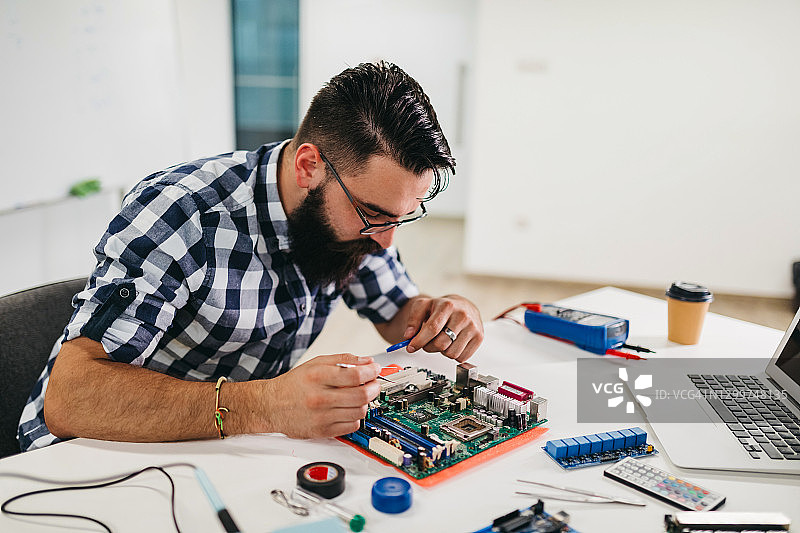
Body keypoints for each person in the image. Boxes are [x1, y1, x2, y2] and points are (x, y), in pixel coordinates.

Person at [17, 61, 484, 452]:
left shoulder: (358, 213)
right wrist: (268, 404)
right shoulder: (185, 214)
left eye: (400, 219)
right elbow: (71, 397)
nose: (384, 242)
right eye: (374, 215)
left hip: (220, 447)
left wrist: (437, 314)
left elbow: (397, 313)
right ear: (308, 166)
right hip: (89, 455)